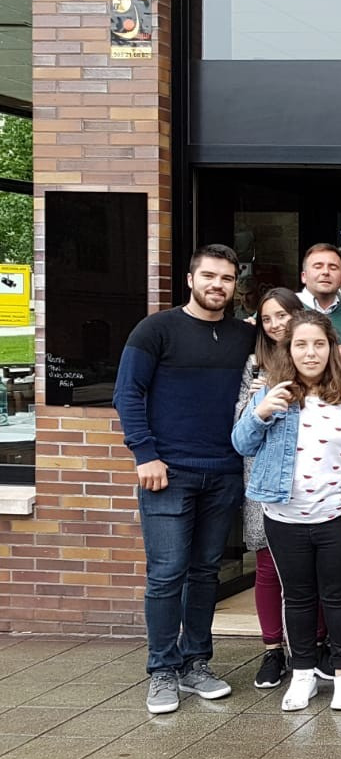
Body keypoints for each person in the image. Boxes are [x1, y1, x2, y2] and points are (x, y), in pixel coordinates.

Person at [114, 244, 256, 715]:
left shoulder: (243, 337)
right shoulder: (156, 330)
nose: (218, 285)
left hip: (223, 473)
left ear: (236, 287)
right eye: (210, 276)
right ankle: (162, 670)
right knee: (167, 574)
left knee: (205, 573)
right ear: (190, 280)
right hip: (167, 473)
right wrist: (145, 454)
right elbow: (127, 394)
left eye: (227, 279)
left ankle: (196, 662)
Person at [232, 309, 341, 712]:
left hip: (340, 514)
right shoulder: (270, 393)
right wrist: (261, 411)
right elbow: (241, 444)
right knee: (297, 597)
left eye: (318, 344)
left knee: (338, 597)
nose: (310, 352)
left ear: (332, 348)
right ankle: (301, 674)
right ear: (289, 349)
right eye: (301, 344)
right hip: (284, 516)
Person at [235, 287, 309, 691]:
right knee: (268, 568)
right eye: (268, 318)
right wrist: (254, 405)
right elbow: (239, 427)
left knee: (310, 570)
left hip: (312, 482)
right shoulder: (252, 364)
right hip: (263, 478)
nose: (277, 324)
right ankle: (272, 650)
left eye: (284, 314)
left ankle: (311, 648)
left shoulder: (319, 356)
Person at [298, 242, 341, 344]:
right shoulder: (287, 308)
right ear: (303, 276)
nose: (326, 272)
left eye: (333, 267)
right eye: (318, 266)